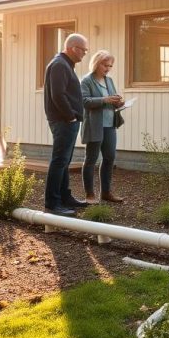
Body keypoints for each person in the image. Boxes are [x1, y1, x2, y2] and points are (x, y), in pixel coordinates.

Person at [42, 33, 90, 216]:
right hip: (63, 121)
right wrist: (70, 116)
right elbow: (58, 95)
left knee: (65, 161)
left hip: (67, 121)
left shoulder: (64, 64)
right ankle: (53, 203)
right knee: (60, 160)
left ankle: (65, 196)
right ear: (72, 48)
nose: (84, 54)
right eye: (83, 50)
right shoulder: (60, 65)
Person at [81, 50, 126, 202]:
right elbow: (85, 102)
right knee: (91, 159)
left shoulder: (109, 80)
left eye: (110, 66)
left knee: (109, 158)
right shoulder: (86, 81)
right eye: (105, 65)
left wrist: (118, 102)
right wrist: (105, 100)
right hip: (94, 126)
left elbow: (111, 99)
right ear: (96, 63)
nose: (107, 68)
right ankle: (89, 194)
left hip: (110, 125)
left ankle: (106, 193)